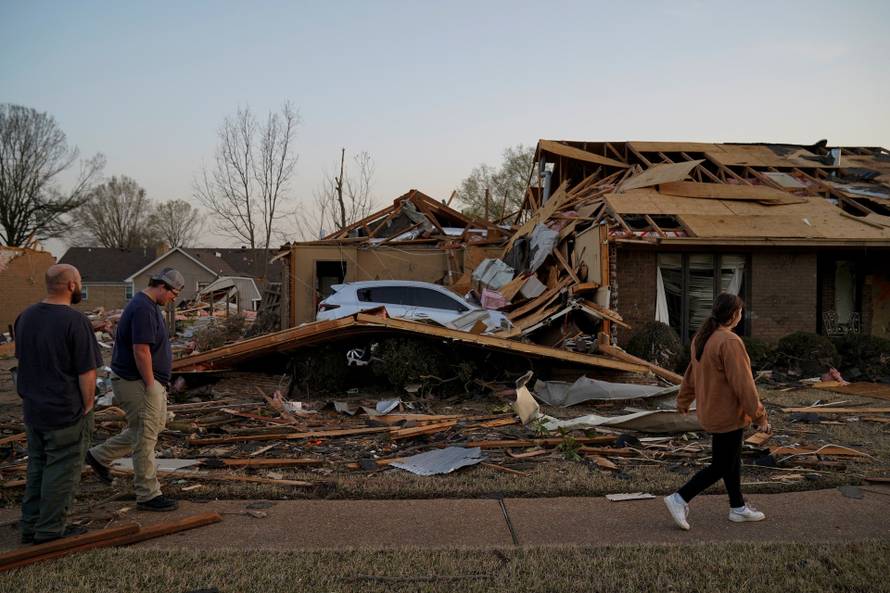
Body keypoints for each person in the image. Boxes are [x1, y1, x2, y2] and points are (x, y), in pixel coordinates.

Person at [664, 293, 770, 531]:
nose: (741, 315)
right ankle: (679, 498)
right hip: (727, 415)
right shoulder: (729, 341)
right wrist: (759, 416)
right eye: (740, 312)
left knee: (731, 461)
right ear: (733, 314)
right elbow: (744, 385)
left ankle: (738, 507)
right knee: (721, 465)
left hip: (711, 412)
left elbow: (690, 375)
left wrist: (683, 401)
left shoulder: (703, 338)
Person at [15, 264, 102, 544]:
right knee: (61, 470)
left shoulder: (25, 317)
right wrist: (87, 406)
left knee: (38, 467)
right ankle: (50, 529)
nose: (80, 286)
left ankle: (30, 525)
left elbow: (24, 361)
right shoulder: (74, 321)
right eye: (79, 281)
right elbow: (87, 372)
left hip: (34, 409)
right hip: (65, 410)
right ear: (71, 286)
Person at [85, 268, 185, 512]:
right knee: (146, 436)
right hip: (136, 382)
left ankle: (98, 455)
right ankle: (148, 494)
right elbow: (141, 350)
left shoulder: (148, 306)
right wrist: (151, 384)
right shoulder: (142, 308)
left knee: (152, 426)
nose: (174, 298)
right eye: (174, 293)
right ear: (162, 286)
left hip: (146, 381)